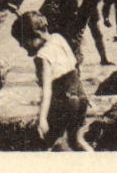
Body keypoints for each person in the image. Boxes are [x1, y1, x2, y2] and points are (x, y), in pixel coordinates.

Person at [11, 11, 93, 151]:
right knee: (76, 141)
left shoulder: (42, 56)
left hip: (65, 102)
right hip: (81, 97)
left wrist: (41, 118)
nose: (21, 46)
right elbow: (74, 64)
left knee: (46, 143)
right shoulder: (58, 38)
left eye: (23, 42)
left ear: (36, 36)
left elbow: (47, 90)